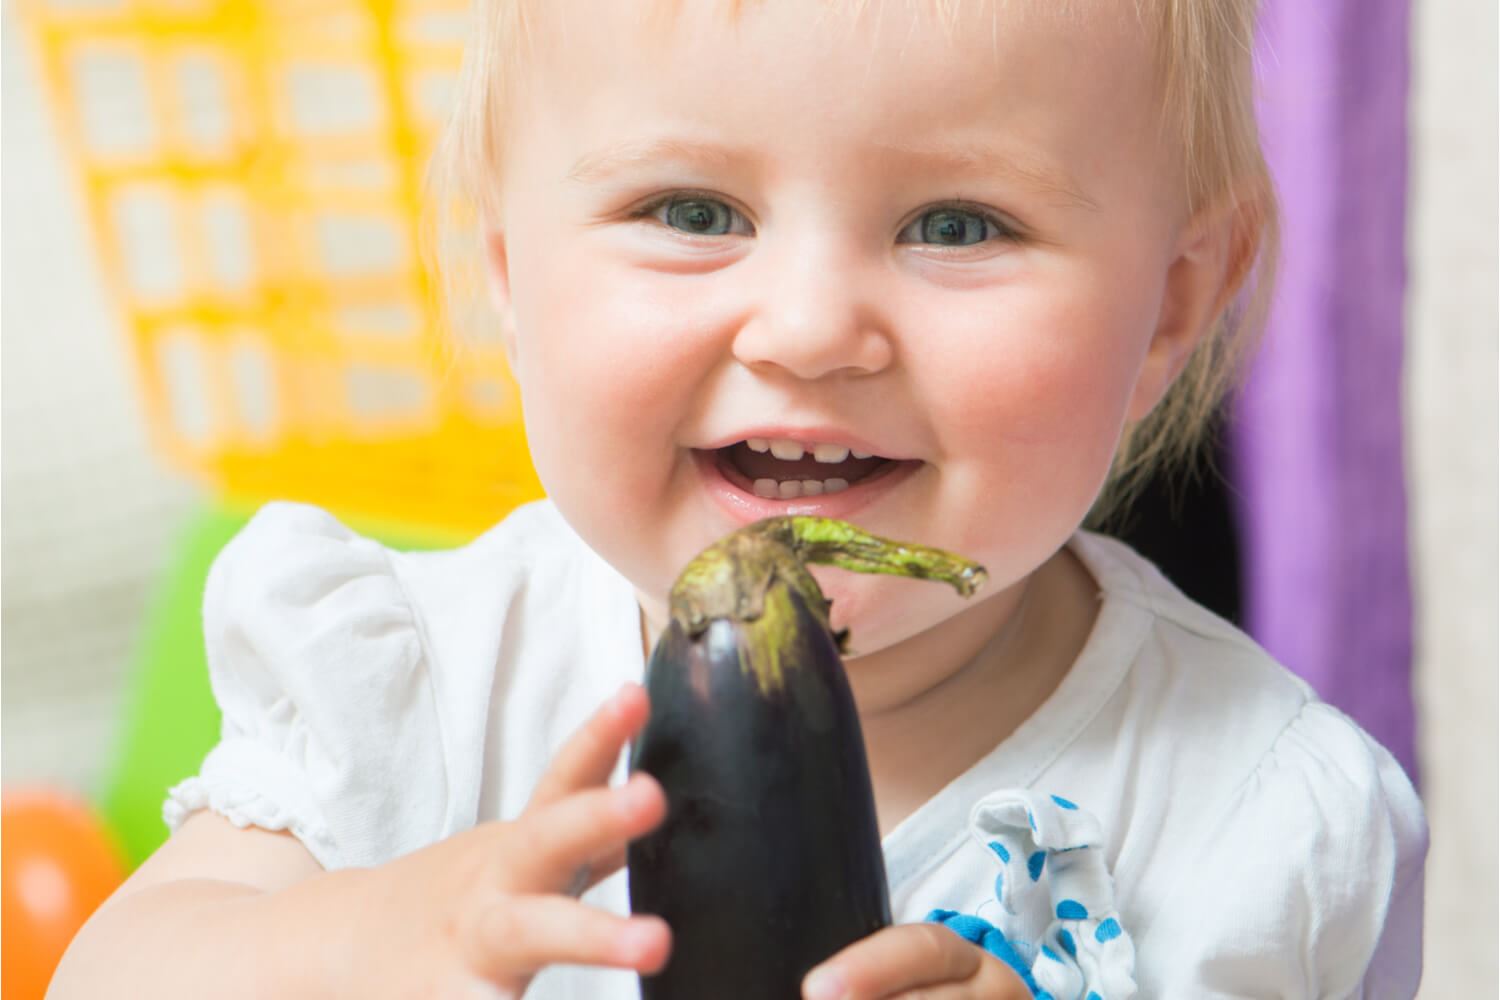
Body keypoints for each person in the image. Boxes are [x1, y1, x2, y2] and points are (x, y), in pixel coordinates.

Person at [49, 1, 1427, 997]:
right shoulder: (428, 688)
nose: (813, 328)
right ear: (511, 272)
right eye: (694, 213)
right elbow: (113, 974)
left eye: (957, 225)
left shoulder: (1257, 819)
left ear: (1173, 300)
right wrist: (370, 945)